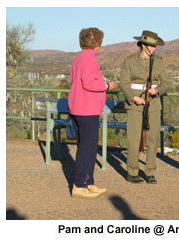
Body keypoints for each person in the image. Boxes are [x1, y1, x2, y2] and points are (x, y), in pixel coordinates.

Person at [68, 27, 117, 198]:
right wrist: (107, 85)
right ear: (97, 43)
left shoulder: (78, 59)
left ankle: (88, 182)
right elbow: (89, 83)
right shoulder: (89, 60)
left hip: (79, 108)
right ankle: (80, 185)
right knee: (87, 148)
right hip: (87, 109)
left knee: (86, 147)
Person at [119, 30, 170, 184]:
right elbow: (123, 83)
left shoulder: (159, 62)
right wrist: (133, 97)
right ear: (143, 44)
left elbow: (166, 83)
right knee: (134, 139)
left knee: (153, 139)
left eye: (155, 46)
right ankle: (132, 172)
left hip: (153, 104)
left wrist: (157, 90)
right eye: (151, 45)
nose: (154, 49)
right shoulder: (129, 61)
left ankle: (150, 172)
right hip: (135, 104)